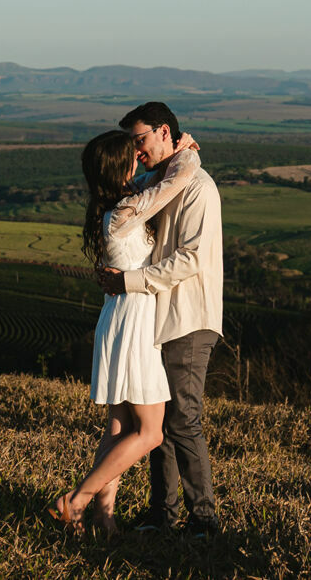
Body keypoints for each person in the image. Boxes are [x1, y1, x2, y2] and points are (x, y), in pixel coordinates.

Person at [49, 127, 204, 533]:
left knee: (118, 428)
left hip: (117, 316)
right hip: (133, 320)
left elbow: (155, 185)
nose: (138, 156)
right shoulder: (126, 210)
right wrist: (184, 150)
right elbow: (179, 180)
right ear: (120, 167)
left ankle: (105, 518)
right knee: (151, 433)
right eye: (130, 153)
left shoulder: (116, 205)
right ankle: (76, 500)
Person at [97, 101, 224, 536]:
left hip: (188, 314)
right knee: (162, 419)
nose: (137, 152)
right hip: (158, 317)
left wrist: (129, 281)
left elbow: (190, 259)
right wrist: (185, 154)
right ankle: (162, 514)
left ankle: (203, 520)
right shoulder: (166, 179)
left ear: (164, 132)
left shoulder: (197, 188)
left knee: (183, 419)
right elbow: (133, 185)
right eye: (132, 144)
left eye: (141, 140)